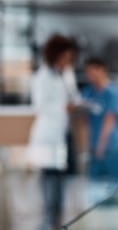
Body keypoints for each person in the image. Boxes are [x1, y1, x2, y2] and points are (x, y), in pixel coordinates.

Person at [28, 34, 80, 230]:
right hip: (48, 135)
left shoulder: (65, 74)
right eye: (66, 56)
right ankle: (48, 223)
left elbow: (73, 96)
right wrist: (63, 107)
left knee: (61, 181)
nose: (68, 61)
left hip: (63, 133)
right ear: (56, 55)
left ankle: (57, 222)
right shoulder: (42, 76)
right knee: (50, 180)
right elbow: (39, 106)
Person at [81, 57, 118, 184]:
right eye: (87, 72)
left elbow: (109, 120)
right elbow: (85, 119)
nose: (90, 76)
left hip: (111, 146)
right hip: (93, 146)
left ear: (102, 70)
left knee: (114, 188)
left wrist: (101, 147)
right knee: (94, 188)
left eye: (92, 71)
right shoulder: (88, 92)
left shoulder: (112, 92)